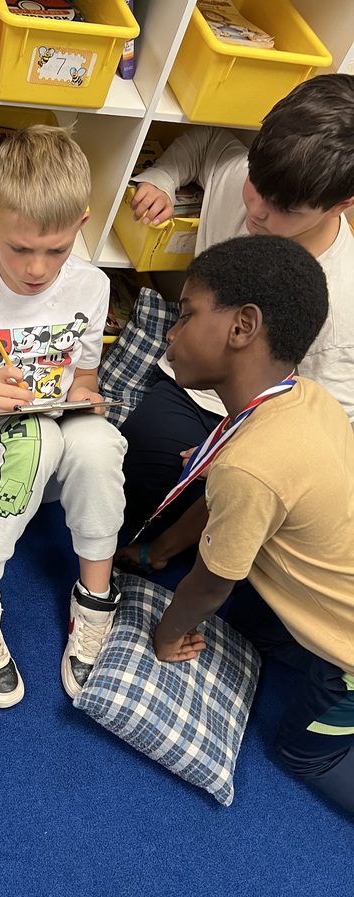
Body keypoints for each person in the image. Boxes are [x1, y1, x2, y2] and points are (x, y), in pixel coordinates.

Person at [0, 125, 127, 708]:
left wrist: (88, 397)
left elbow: (84, 378)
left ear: (81, 226)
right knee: (33, 437)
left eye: (56, 250)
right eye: (19, 248)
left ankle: (96, 597)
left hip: (54, 431)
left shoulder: (92, 285)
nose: (37, 268)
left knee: (100, 442)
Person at [148, 234, 354, 815]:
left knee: (303, 754)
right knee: (245, 628)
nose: (170, 332)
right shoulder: (305, 398)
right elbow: (223, 499)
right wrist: (158, 551)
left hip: (349, 658)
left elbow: (211, 583)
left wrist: (166, 636)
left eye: (186, 314)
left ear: (242, 328)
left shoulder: (251, 465)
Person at [121, 73, 354, 535]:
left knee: (236, 502)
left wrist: (238, 447)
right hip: (192, 385)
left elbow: (323, 424)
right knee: (134, 466)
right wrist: (164, 178)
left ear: (339, 206)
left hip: (259, 420)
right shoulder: (240, 176)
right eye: (257, 187)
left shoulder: (340, 301)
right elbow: (207, 145)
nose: (258, 212)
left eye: (285, 209)